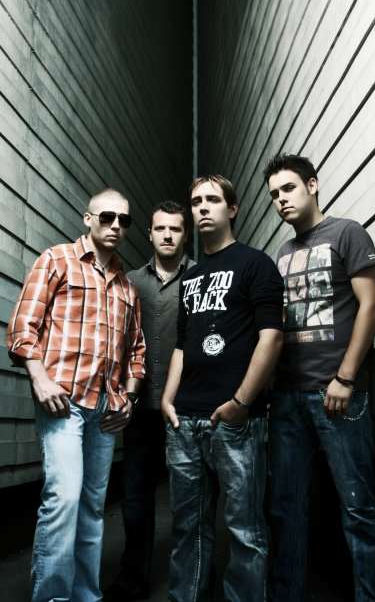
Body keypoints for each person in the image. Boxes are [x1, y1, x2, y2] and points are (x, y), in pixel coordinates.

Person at [264, 154, 375, 602]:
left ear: (312, 185)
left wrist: (346, 377)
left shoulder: (347, 233)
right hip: (287, 397)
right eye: (274, 194)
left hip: (336, 392)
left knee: (358, 507)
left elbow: (371, 306)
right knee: (286, 509)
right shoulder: (282, 254)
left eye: (288, 188)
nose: (281, 200)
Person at [7, 189, 145, 602]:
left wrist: (129, 398)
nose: (116, 226)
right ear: (88, 219)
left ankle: (86, 595)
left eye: (124, 220)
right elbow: (23, 327)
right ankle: (53, 597)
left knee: (92, 506)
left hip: (105, 410)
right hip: (63, 403)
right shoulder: (57, 260)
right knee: (64, 499)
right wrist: (39, 378)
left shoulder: (127, 286)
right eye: (107, 217)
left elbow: (137, 351)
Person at [161, 175, 284, 602]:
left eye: (212, 199)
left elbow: (272, 338)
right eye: (196, 201)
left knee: (245, 529)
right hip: (185, 420)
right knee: (187, 527)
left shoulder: (256, 264)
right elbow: (182, 345)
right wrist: (167, 399)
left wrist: (241, 403)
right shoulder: (190, 278)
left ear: (232, 209)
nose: (202, 207)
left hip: (235, 421)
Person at [104, 201, 195, 601]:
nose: (168, 235)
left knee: (189, 499)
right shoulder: (130, 283)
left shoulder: (201, 278)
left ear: (185, 235)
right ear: (150, 233)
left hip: (185, 408)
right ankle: (133, 578)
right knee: (136, 497)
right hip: (139, 408)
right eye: (161, 228)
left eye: (175, 229)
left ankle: (191, 579)